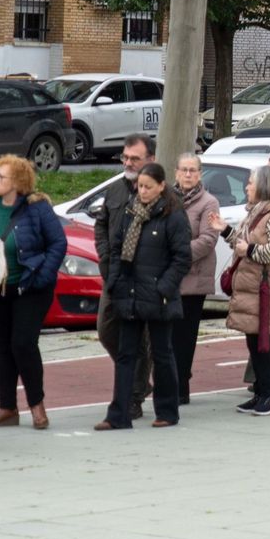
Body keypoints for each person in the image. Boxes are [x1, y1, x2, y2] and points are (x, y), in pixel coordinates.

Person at [94, 162, 191, 431]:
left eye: (148, 187)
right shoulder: (130, 211)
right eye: (140, 186)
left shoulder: (173, 216)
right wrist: (114, 282)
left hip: (158, 297)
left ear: (161, 186)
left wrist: (164, 288)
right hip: (129, 293)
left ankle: (167, 411)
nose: (143, 191)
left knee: (162, 353)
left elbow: (182, 258)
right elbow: (117, 249)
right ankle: (119, 414)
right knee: (126, 355)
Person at [0, 155, 66, 432]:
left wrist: (42, 276)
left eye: (0, 177)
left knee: (23, 343)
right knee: (2, 347)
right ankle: (7, 408)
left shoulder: (37, 207)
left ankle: (37, 405)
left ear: (17, 182)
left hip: (30, 287)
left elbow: (58, 243)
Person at [210, 165, 270, 414]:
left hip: (268, 289)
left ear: (265, 186)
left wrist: (249, 250)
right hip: (255, 287)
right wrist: (226, 231)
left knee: (263, 342)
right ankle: (262, 392)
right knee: (254, 340)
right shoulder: (258, 211)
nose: (247, 186)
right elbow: (243, 243)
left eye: (251, 182)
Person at [94, 134, 156, 422]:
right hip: (114, 276)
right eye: (125, 157)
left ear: (150, 160)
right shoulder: (116, 189)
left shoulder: (162, 194)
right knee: (106, 330)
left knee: (139, 339)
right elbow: (101, 224)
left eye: (135, 158)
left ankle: (134, 395)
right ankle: (138, 380)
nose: (128, 163)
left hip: (143, 280)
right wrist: (105, 258)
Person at [172, 154, 220, 405]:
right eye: (184, 170)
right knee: (166, 336)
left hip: (193, 279)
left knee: (184, 337)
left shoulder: (208, 203)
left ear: (200, 174)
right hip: (168, 279)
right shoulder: (167, 199)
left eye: (193, 170)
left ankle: (181, 388)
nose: (188, 174)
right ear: (176, 173)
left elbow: (208, 240)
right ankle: (169, 383)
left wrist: (175, 254)